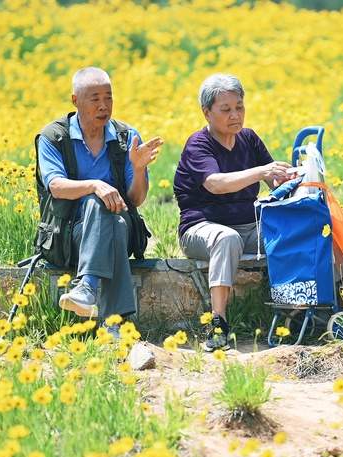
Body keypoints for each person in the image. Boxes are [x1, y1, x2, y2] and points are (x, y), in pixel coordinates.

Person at [36, 66, 163, 336]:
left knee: (113, 218)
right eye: (95, 99)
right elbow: (56, 187)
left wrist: (139, 169)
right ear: (75, 101)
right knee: (104, 211)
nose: (103, 105)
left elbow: (136, 199)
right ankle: (114, 323)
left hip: (125, 230)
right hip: (69, 235)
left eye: (109, 97)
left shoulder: (126, 137)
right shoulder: (53, 137)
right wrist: (96, 185)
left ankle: (87, 287)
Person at [173, 73, 293, 351]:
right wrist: (262, 171)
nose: (235, 115)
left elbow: (271, 180)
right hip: (201, 229)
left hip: (247, 227)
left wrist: (289, 175)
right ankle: (218, 325)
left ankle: (319, 300)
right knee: (226, 239)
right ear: (207, 113)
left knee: (298, 230)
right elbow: (215, 184)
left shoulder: (248, 139)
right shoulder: (198, 144)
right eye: (225, 109)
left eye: (239, 107)